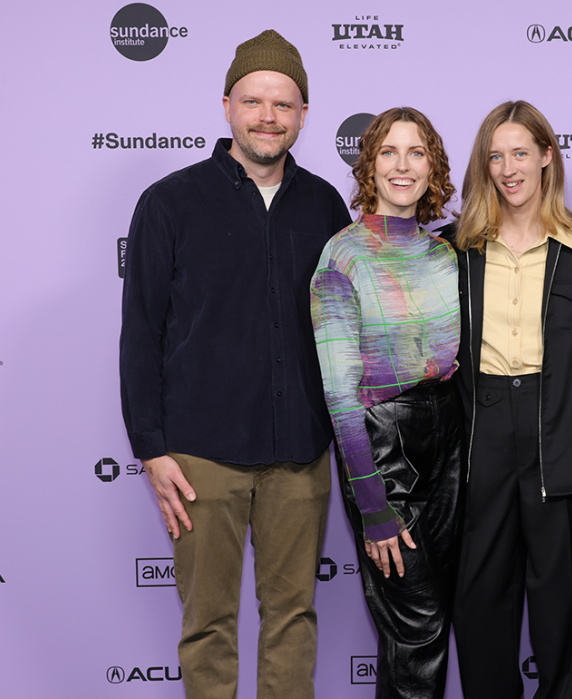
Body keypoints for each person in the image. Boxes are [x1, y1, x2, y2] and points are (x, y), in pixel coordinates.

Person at [119, 29, 351, 699]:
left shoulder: (324, 206)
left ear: (304, 114)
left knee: (293, 619)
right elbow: (141, 333)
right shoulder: (170, 202)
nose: (268, 117)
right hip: (201, 458)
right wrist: (152, 448)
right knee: (208, 624)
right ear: (227, 106)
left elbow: (339, 328)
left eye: (283, 104)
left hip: (300, 454)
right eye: (254, 101)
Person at [439, 101, 572, 699]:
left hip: (558, 432)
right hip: (478, 432)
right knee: (479, 603)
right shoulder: (453, 250)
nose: (508, 168)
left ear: (547, 157)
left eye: (521, 153)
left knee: (561, 606)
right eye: (495, 155)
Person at [310, 107, 462, 699]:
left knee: (432, 618)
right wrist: (372, 502)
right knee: (416, 623)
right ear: (369, 165)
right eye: (389, 152)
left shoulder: (444, 254)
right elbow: (338, 393)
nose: (403, 165)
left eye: (417, 152)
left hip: (449, 436)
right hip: (382, 445)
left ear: (433, 167)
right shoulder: (343, 256)